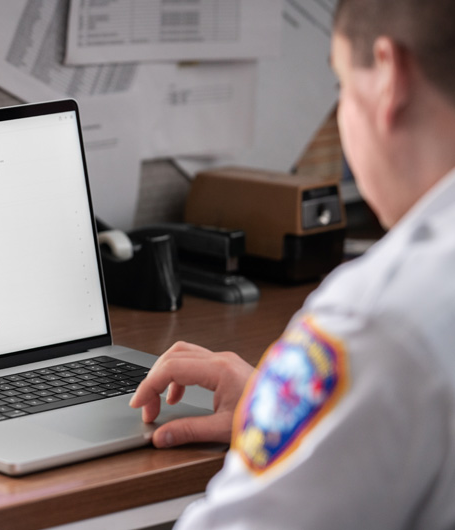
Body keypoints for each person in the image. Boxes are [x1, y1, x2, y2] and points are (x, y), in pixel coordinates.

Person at [130, 0, 455, 527]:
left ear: (387, 78)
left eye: (342, 87)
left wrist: (303, 408)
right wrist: (291, 408)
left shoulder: (377, 320)